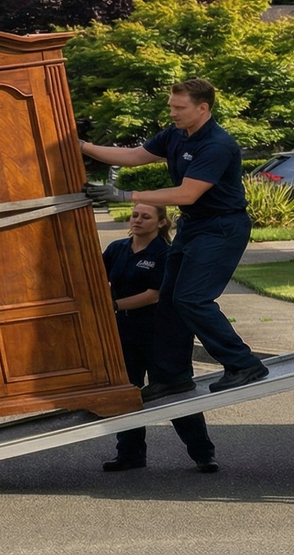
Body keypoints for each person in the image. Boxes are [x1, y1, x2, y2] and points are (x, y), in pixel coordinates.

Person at [82, 78, 269, 395]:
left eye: (179, 108)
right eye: (171, 105)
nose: (172, 112)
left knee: (192, 298)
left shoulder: (217, 145)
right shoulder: (176, 135)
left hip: (221, 228)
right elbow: (135, 155)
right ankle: (172, 376)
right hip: (194, 226)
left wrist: (124, 195)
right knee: (168, 301)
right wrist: (81, 147)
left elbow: (187, 194)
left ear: (202, 108)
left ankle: (243, 363)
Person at [102, 202, 218, 473]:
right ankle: (130, 454)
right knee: (127, 394)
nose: (138, 220)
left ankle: (203, 454)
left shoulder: (165, 254)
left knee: (175, 392)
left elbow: (155, 294)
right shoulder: (117, 249)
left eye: (146, 216)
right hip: (124, 332)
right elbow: (97, 278)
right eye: (135, 215)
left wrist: (114, 305)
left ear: (161, 223)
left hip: (161, 334)